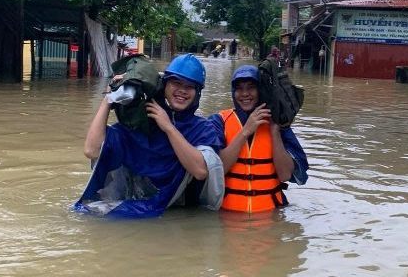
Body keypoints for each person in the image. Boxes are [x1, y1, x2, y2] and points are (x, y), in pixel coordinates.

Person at [74, 54, 224, 218]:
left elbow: (201, 170)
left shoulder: (202, 128)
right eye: (176, 83)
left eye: (189, 86)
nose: (182, 90)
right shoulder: (142, 122)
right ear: (164, 85)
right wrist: (109, 98)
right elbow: (91, 150)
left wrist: (168, 128)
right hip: (134, 208)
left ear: (197, 92)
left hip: (177, 214)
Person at [209, 65, 308, 213]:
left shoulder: (278, 123)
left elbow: (285, 175)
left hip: (270, 216)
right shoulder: (219, 121)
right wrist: (246, 131)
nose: (245, 94)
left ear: (261, 91)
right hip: (228, 216)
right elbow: (218, 170)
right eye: (239, 88)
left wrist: (275, 130)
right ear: (233, 92)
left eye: (251, 87)